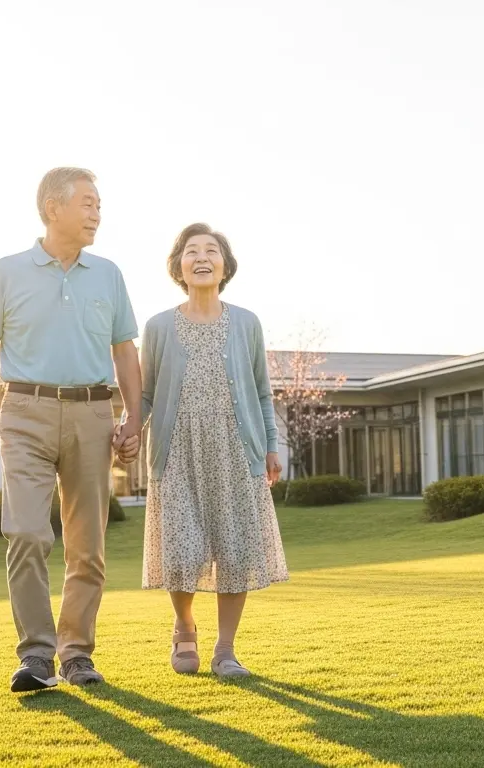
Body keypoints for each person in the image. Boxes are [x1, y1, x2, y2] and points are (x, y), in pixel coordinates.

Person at [0, 167, 142, 693]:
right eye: (87, 203)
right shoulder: (7, 271)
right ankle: (37, 655)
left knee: (87, 545)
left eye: (99, 204)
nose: (97, 212)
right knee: (25, 530)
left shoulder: (108, 274)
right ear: (52, 208)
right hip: (24, 410)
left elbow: (125, 350)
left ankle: (77, 654)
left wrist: (135, 416)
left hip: (93, 412)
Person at [137, 222, 289, 679]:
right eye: (191, 251)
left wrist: (269, 445)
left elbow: (262, 391)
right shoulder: (159, 326)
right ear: (178, 266)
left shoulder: (246, 323)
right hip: (176, 450)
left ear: (225, 265)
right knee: (181, 553)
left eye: (211, 250)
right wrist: (127, 428)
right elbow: (145, 393)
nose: (201, 257)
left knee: (236, 551)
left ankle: (226, 650)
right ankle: (184, 627)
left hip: (235, 448)